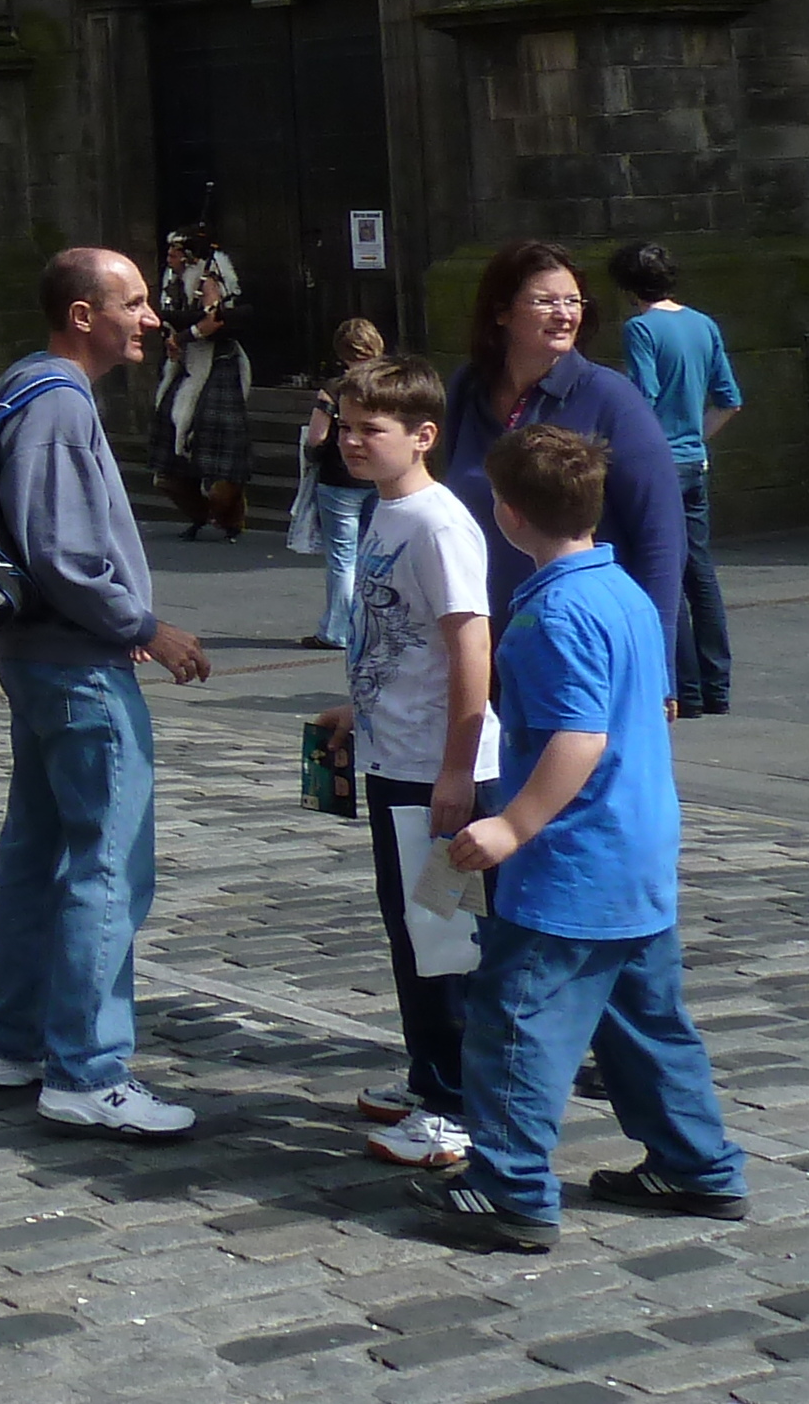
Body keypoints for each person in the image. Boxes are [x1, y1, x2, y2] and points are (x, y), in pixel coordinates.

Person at [414, 425, 747, 1252]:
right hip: (637, 852)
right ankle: (696, 1162)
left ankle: (511, 1188)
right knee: (646, 1021)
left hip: (570, 863)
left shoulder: (554, 614)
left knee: (515, 1024)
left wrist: (510, 823)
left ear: (509, 514)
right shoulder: (626, 593)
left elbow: (578, 736)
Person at [0, 249, 214, 1138]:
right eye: (136, 301)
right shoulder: (61, 402)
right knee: (106, 865)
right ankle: (87, 1068)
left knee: (37, 852)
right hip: (78, 661)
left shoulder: (22, 384)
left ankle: (13, 1041)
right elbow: (63, 551)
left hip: (36, 657)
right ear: (84, 314)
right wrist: (144, 626)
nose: (154, 315)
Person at [306, 353, 499, 1172]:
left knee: (444, 935)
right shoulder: (384, 510)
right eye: (345, 426)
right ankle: (431, 1072)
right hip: (398, 754)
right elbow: (400, 636)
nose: (350, 441)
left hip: (436, 769)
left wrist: (457, 768)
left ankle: (459, 1101)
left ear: (422, 435)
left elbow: (469, 646)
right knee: (412, 930)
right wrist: (362, 707)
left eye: (368, 430)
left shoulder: (437, 522)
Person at [439, 240, 685, 662]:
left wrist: (654, 661)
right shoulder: (469, 387)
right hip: (480, 641)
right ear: (502, 313)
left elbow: (661, 536)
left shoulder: (611, 398)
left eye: (573, 301)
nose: (565, 313)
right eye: (545, 301)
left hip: (576, 644)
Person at [612, 242, 741, 718]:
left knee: (662, 573)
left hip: (658, 465)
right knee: (700, 574)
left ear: (627, 286)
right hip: (694, 461)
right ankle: (717, 686)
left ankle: (684, 688)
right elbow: (729, 399)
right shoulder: (703, 324)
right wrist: (697, 440)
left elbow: (643, 396)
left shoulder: (640, 329)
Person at [294, 317, 391, 650]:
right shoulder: (390, 387)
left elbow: (317, 436)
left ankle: (337, 629)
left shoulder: (335, 389)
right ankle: (372, 624)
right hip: (378, 478)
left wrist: (312, 451)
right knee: (372, 553)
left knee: (342, 557)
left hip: (339, 479)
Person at [156, 228, 251, 540]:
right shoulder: (173, 281)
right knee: (171, 438)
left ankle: (230, 518)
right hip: (185, 367)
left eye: (174, 252)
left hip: (217, 367)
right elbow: (170, 317)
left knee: (217, 449)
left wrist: (181, 337)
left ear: (189, 255)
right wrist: (170, 339)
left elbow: (214, 321)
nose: (169, 257)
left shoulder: (208, 281)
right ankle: (197, 512)